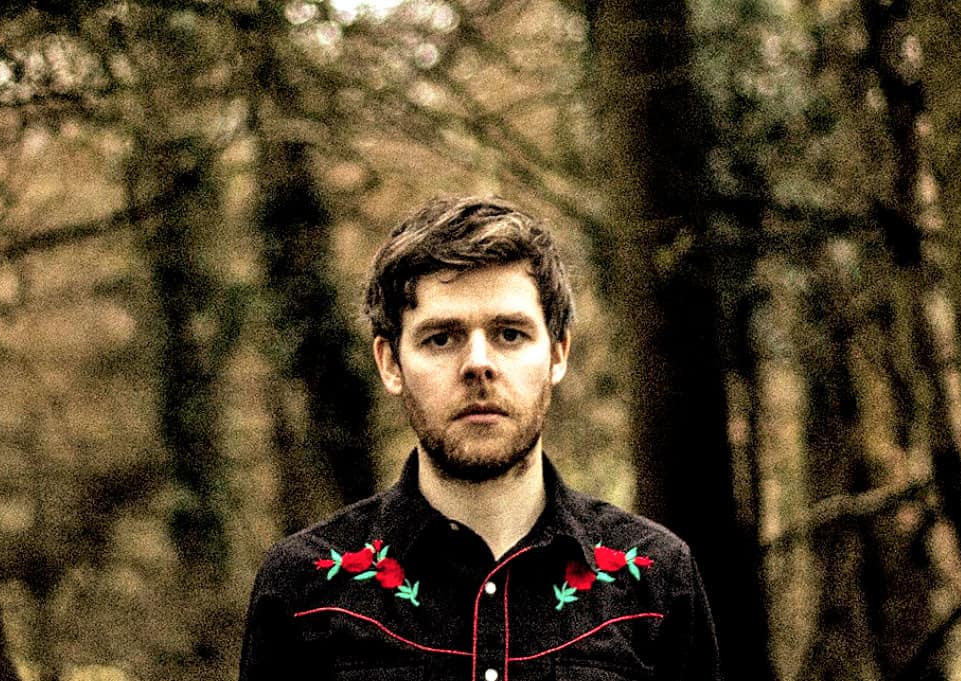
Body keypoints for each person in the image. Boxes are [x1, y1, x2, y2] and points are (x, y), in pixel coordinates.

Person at [238, 196, 722, 681]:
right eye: (441, 338)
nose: (478, 364)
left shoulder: (655, 580)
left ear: (558, 354)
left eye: (510, 334)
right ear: (390, 364)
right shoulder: (305, 588)